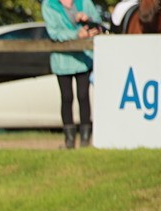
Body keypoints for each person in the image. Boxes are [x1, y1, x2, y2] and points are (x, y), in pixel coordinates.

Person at [42, 0, 104, 148]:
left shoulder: (84, 2)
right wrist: (77, 34)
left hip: (83, 58)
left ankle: (85, 140)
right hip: (62, 60)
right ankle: (69, 141)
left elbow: (99, 24)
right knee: (67, 97)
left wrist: (87, 20)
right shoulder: (49, 5)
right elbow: (54, 32)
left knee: (83, 96)